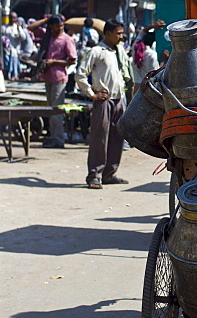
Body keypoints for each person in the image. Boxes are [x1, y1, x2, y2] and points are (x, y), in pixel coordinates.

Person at [75, 19, 131, 189]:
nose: (121, 36)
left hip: (119, 98)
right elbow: (80, 74)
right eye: (118, 33)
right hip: (103, 100)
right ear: (108, 34)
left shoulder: (119, 52)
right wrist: (92, 94)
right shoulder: (97, 51)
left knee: (117, 137)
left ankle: (109, 173)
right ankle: (94, 175)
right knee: (100, 138)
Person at [40, 15, 77, 149]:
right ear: (51, 26)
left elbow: (72, 60)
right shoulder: (49, 37)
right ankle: (53, 137)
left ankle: (58, 139)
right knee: (50, 108)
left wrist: (54, 62)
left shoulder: (67, 39)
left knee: (57, 110)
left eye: (61, 26)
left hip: (59, 77)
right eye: (57, 26)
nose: (60, 29)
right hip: (48, 76)